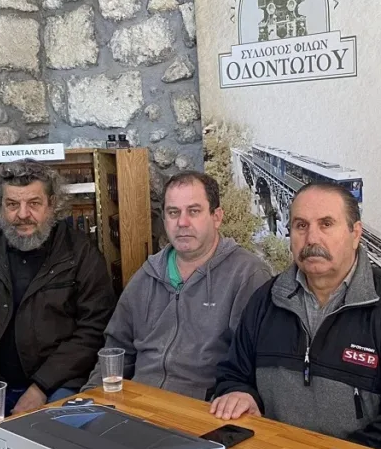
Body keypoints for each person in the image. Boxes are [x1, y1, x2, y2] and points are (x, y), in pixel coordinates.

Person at [211, 182, 381, 449]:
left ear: (355, 234)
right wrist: (239, 394)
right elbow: (232, 375)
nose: (312, 238)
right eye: (301, 226)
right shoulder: (266, 300)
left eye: (326, 224)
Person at [0, 159, 115, 427]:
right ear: (0, 206)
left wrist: (41, 386)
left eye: (34, 203)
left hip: (57, 384)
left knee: (54, 431)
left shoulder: (82, 255)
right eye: (12, 204)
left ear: (52, 204)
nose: (23, 214)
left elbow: (93, 330)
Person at [82, 171, 271, 400]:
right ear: (164, 219)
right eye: (173, 213)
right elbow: (115, 350)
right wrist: (88, 401)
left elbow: (254, 367)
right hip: (138, 403)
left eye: (194, 211)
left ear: (217, 217)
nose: (182, 222)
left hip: (204, 409)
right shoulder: (146, 275)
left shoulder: (247, 275)